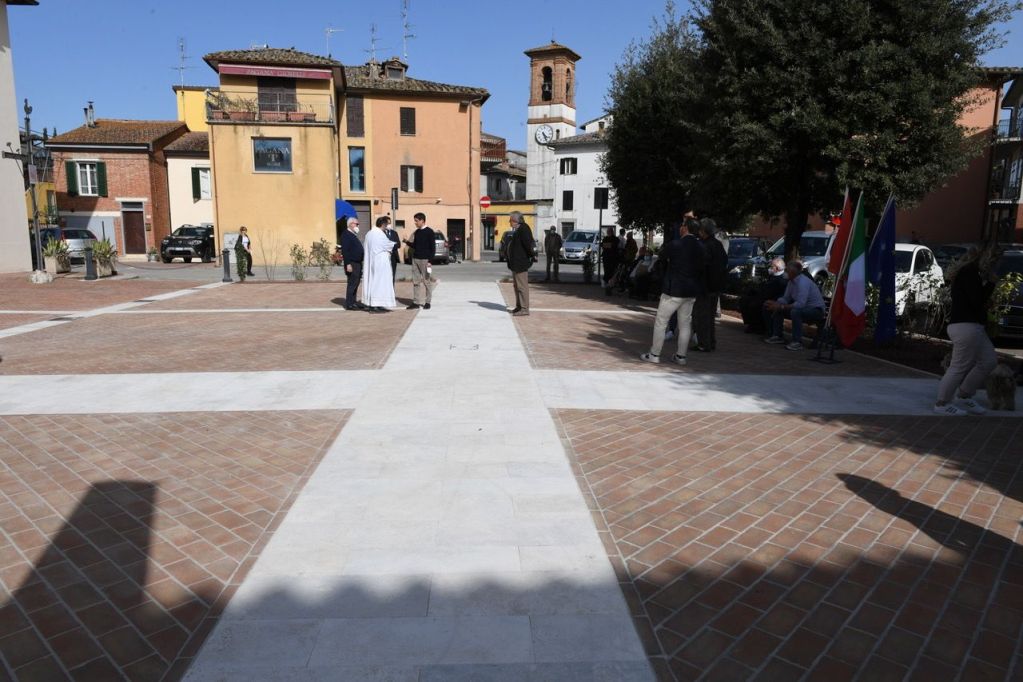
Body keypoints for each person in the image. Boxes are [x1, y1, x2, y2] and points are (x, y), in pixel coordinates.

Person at [934, 245, 999, 415]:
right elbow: (977, 300)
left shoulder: (970, 273)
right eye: (994, 260)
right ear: (985, 258)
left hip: (971, 326)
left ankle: (964, 395)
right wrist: (991, 284)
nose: (995, 264)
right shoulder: (969, 273)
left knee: (989, 360)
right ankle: (941, 404)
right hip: (966, 326)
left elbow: (975, 300)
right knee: (959, 366)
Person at [640, 217, 705, 366]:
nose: (680, 227)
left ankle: (655, 354)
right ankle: (681, 356)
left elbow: (662, 257)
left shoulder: (676, 244)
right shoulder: (701, 247)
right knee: (685, 324)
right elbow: (702, 267)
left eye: (682, 225)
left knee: (661, 322)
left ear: (686, 228)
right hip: (690, 291)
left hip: (673, 290)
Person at [764, 260, 826, 350]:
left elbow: (800, 304)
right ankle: (777, 335)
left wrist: (781, 306)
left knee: (795, 312)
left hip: (816, 310)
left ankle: (797, 342)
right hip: (803, 308)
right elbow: (786, 298)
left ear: (793, 273)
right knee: (776, 307)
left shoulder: (803, 283)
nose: (785, 273)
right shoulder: (791, 282)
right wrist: (776, 303)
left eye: (787, 271)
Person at [692, 219, 727, 351]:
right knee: (710, 317)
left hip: (705, 286)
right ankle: (710, 342)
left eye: (700, 230)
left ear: (703, 231)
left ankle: (704, 344)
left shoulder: (704, 245)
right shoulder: (718, 244)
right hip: (715, 286)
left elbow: (701, 266)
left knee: (701, 316)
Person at [739, 257, 786, 333]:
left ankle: (759, 327)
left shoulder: (782, 278)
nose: (770, 268)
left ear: (777, 268)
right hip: (764, 295)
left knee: (755, 303)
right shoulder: (773, 275)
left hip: (773, 299)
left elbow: (776, 292)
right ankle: (752, 324)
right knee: (744, 300)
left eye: (771, 266)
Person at [362, 216, 397, 312]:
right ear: (383, 224)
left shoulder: (369, 233)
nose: (387, 226)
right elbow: (388, 245)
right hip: (380, 263)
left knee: (373, 281)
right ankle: (375, 304)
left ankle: (376, 303)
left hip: (372, 261)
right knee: (379, 282)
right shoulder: (379, 234)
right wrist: (393, 245)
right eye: (386, 224)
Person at [404, 212, 436, 310]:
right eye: (415, 221)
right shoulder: (417, 232)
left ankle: (427, 302)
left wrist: (430, 261)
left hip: (425, 260)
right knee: (416, 281)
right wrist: (407, 242)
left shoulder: (430, 232)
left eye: (416, 221)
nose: (415, 223)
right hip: (415, 259)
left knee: (426, 281)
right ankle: (416, 302)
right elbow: (415, 246)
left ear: (422, 220)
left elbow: (433, 247)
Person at [507, 210, 536, 316]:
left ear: (515, 220)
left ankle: (524, 308)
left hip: (520, 264)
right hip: (515, 264)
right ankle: (519, 306)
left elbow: (529, 245)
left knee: (522, 286)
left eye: (510, 220)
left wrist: (531, 257)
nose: (509, 222)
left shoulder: (524, 229)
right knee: (517, 286)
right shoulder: (519, 230)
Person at [339, 217, 366, 311]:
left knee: (356, 282)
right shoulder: (346, 234)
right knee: (352, 283)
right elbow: (345, 251)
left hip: (357, 263)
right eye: (356, 224)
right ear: (350, 224)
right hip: (352, 263)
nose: (358, 226)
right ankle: (349, 304)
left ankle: (353, 302)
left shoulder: (352, 234)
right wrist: (348, 264)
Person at [600, 227, 620, 294]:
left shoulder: (616, 239)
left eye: (609, 231)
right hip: (606, 257)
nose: (608, 232)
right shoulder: (605, 238)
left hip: (613, 258)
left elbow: (614, 245)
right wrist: (608, 245)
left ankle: (610, 283)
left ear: (611, 232)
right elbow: (602, 245)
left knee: (612, 270)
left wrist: (607, 245)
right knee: (606, 270)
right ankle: (606, 282)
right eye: (607, 231)